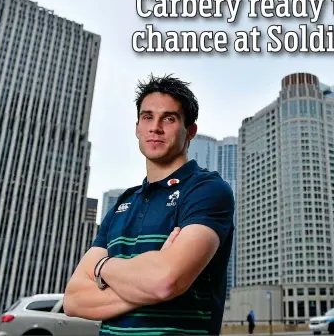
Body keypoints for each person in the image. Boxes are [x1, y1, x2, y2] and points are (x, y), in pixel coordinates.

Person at [63, 74, 235, 336]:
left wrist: (101, 267)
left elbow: (165, 282)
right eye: (147, 117)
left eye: (169, 118)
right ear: (137, 128)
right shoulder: (122, 204)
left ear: (190, 131)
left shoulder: (206, 190)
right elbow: (74, 300)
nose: (155, 127)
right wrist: (150, 281)